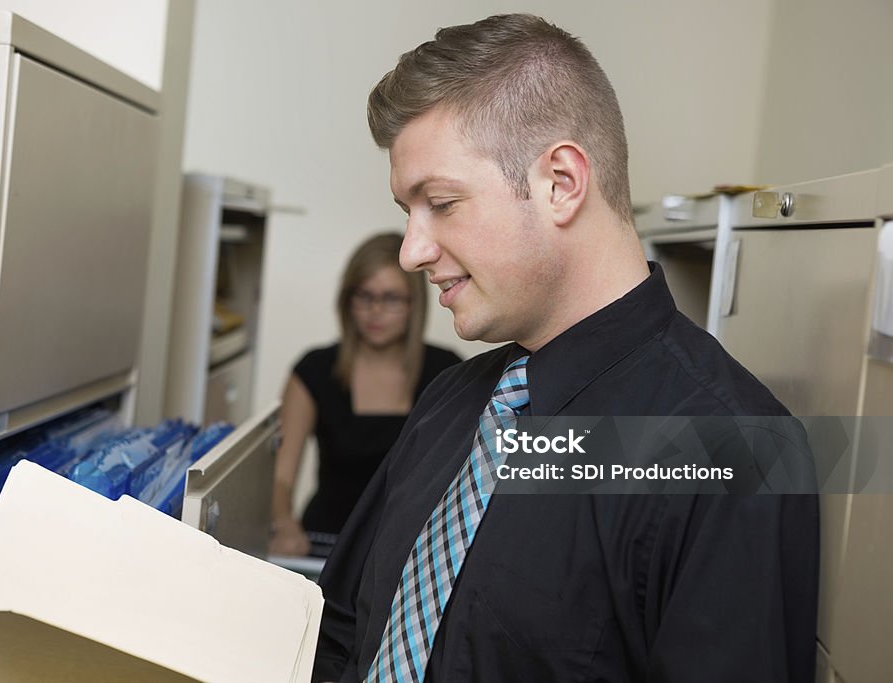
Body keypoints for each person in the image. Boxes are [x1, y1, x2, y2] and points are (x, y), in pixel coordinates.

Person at [312, 14, 819, 683]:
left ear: (560, 182)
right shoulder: (452, 400)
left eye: (440, 202)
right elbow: (344, 625)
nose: (412, 250)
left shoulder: (730, 453)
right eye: (408, 212)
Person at [269, 232, 461, 558]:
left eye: (391, 299)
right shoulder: (314, 369)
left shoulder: (448, 372)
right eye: (364, 296)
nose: (375, 311)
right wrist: (284, 524)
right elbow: (280, 478)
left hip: (409, 552)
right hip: (325, 546)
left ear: (414, 303)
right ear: (347, 301)